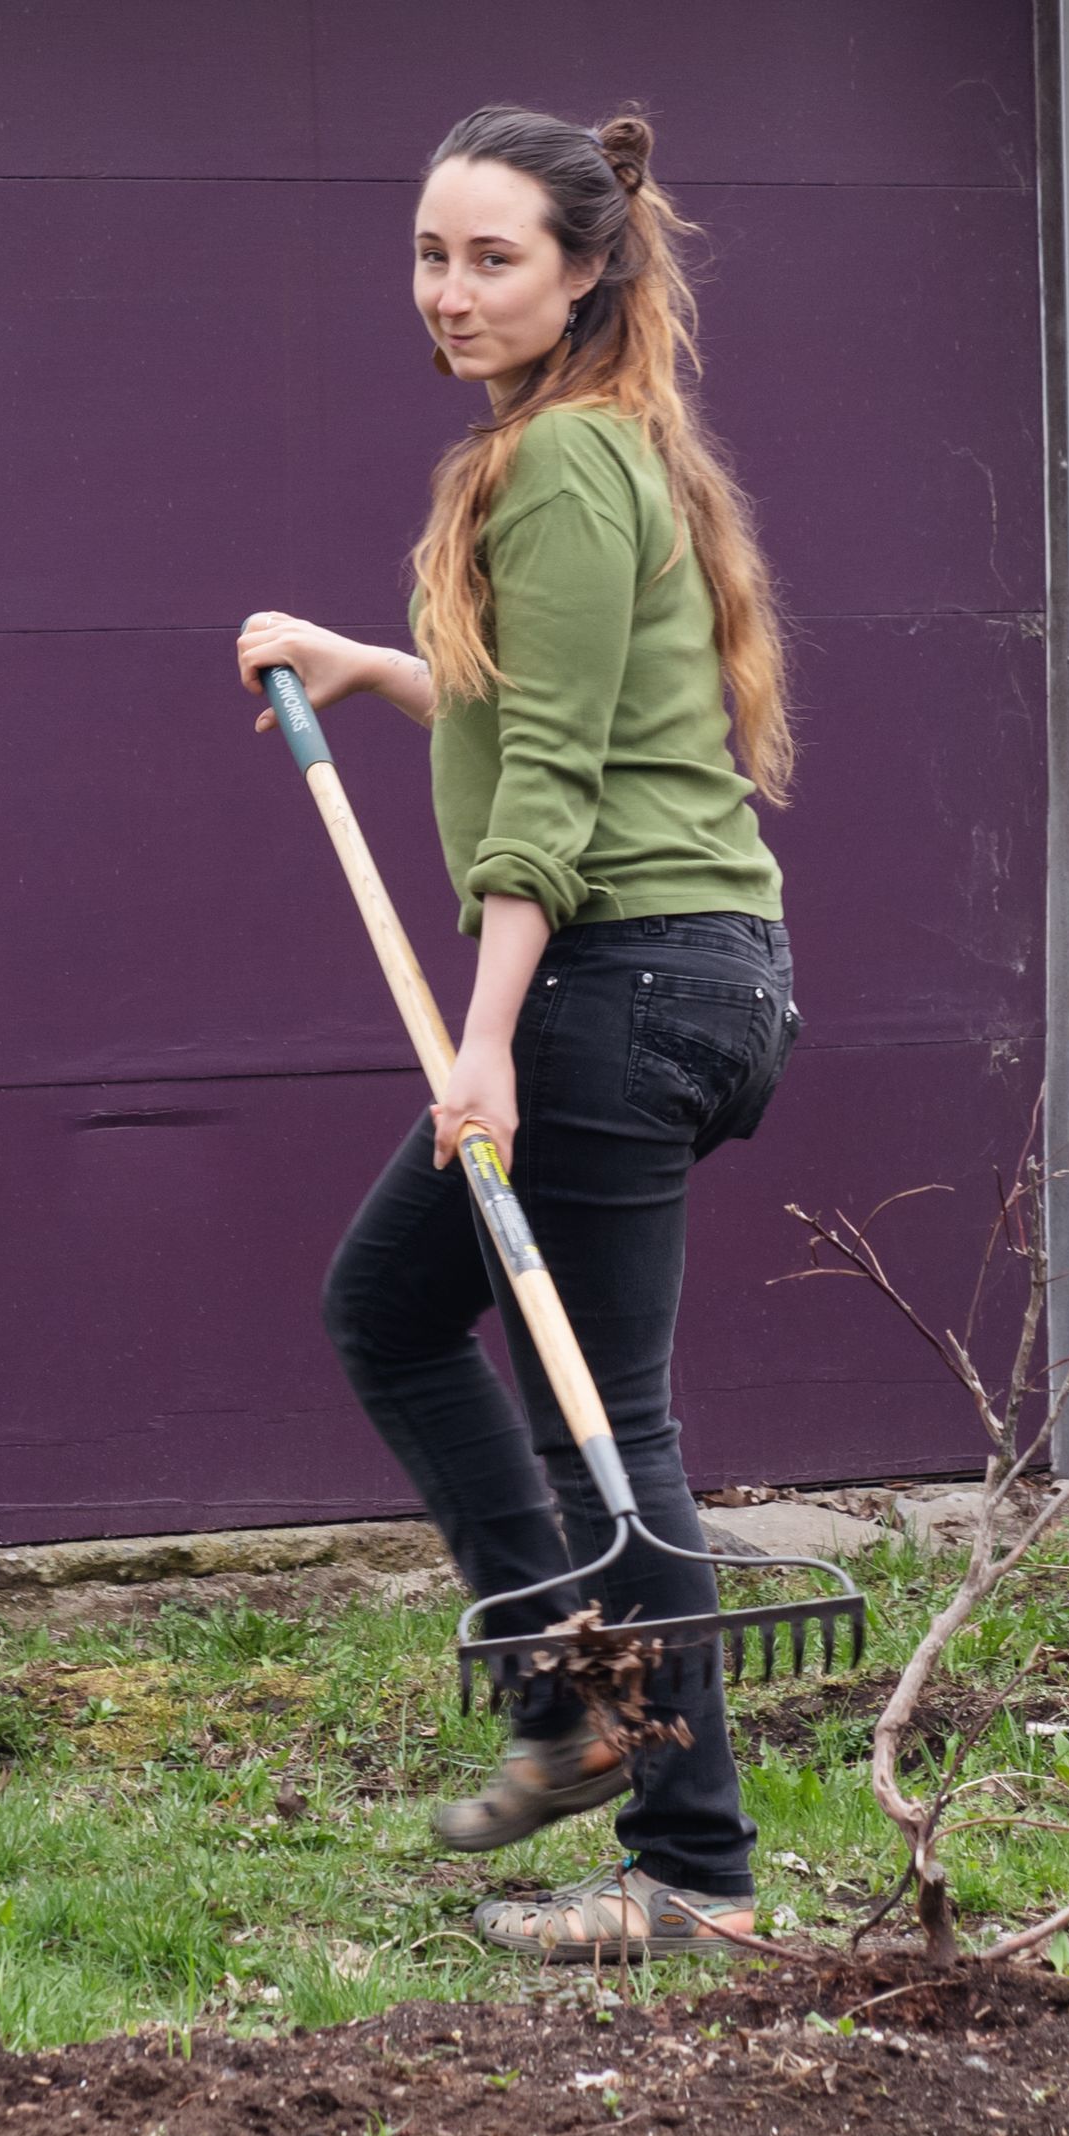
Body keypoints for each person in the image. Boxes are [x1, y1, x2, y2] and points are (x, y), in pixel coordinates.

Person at [239, 103, 802, 1965]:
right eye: (431, 254)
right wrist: (369, 662)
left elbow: (550, 785)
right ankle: (565, 1691)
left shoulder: (561, 463)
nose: (453, 290)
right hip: (695, 975)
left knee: (601, 1420)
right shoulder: (596, 447)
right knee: (403, 1311)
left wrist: (478, 1043)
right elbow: (546, 703)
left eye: (493, 258)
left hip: (615, 984)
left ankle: (690, 1861)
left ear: (583, 271)